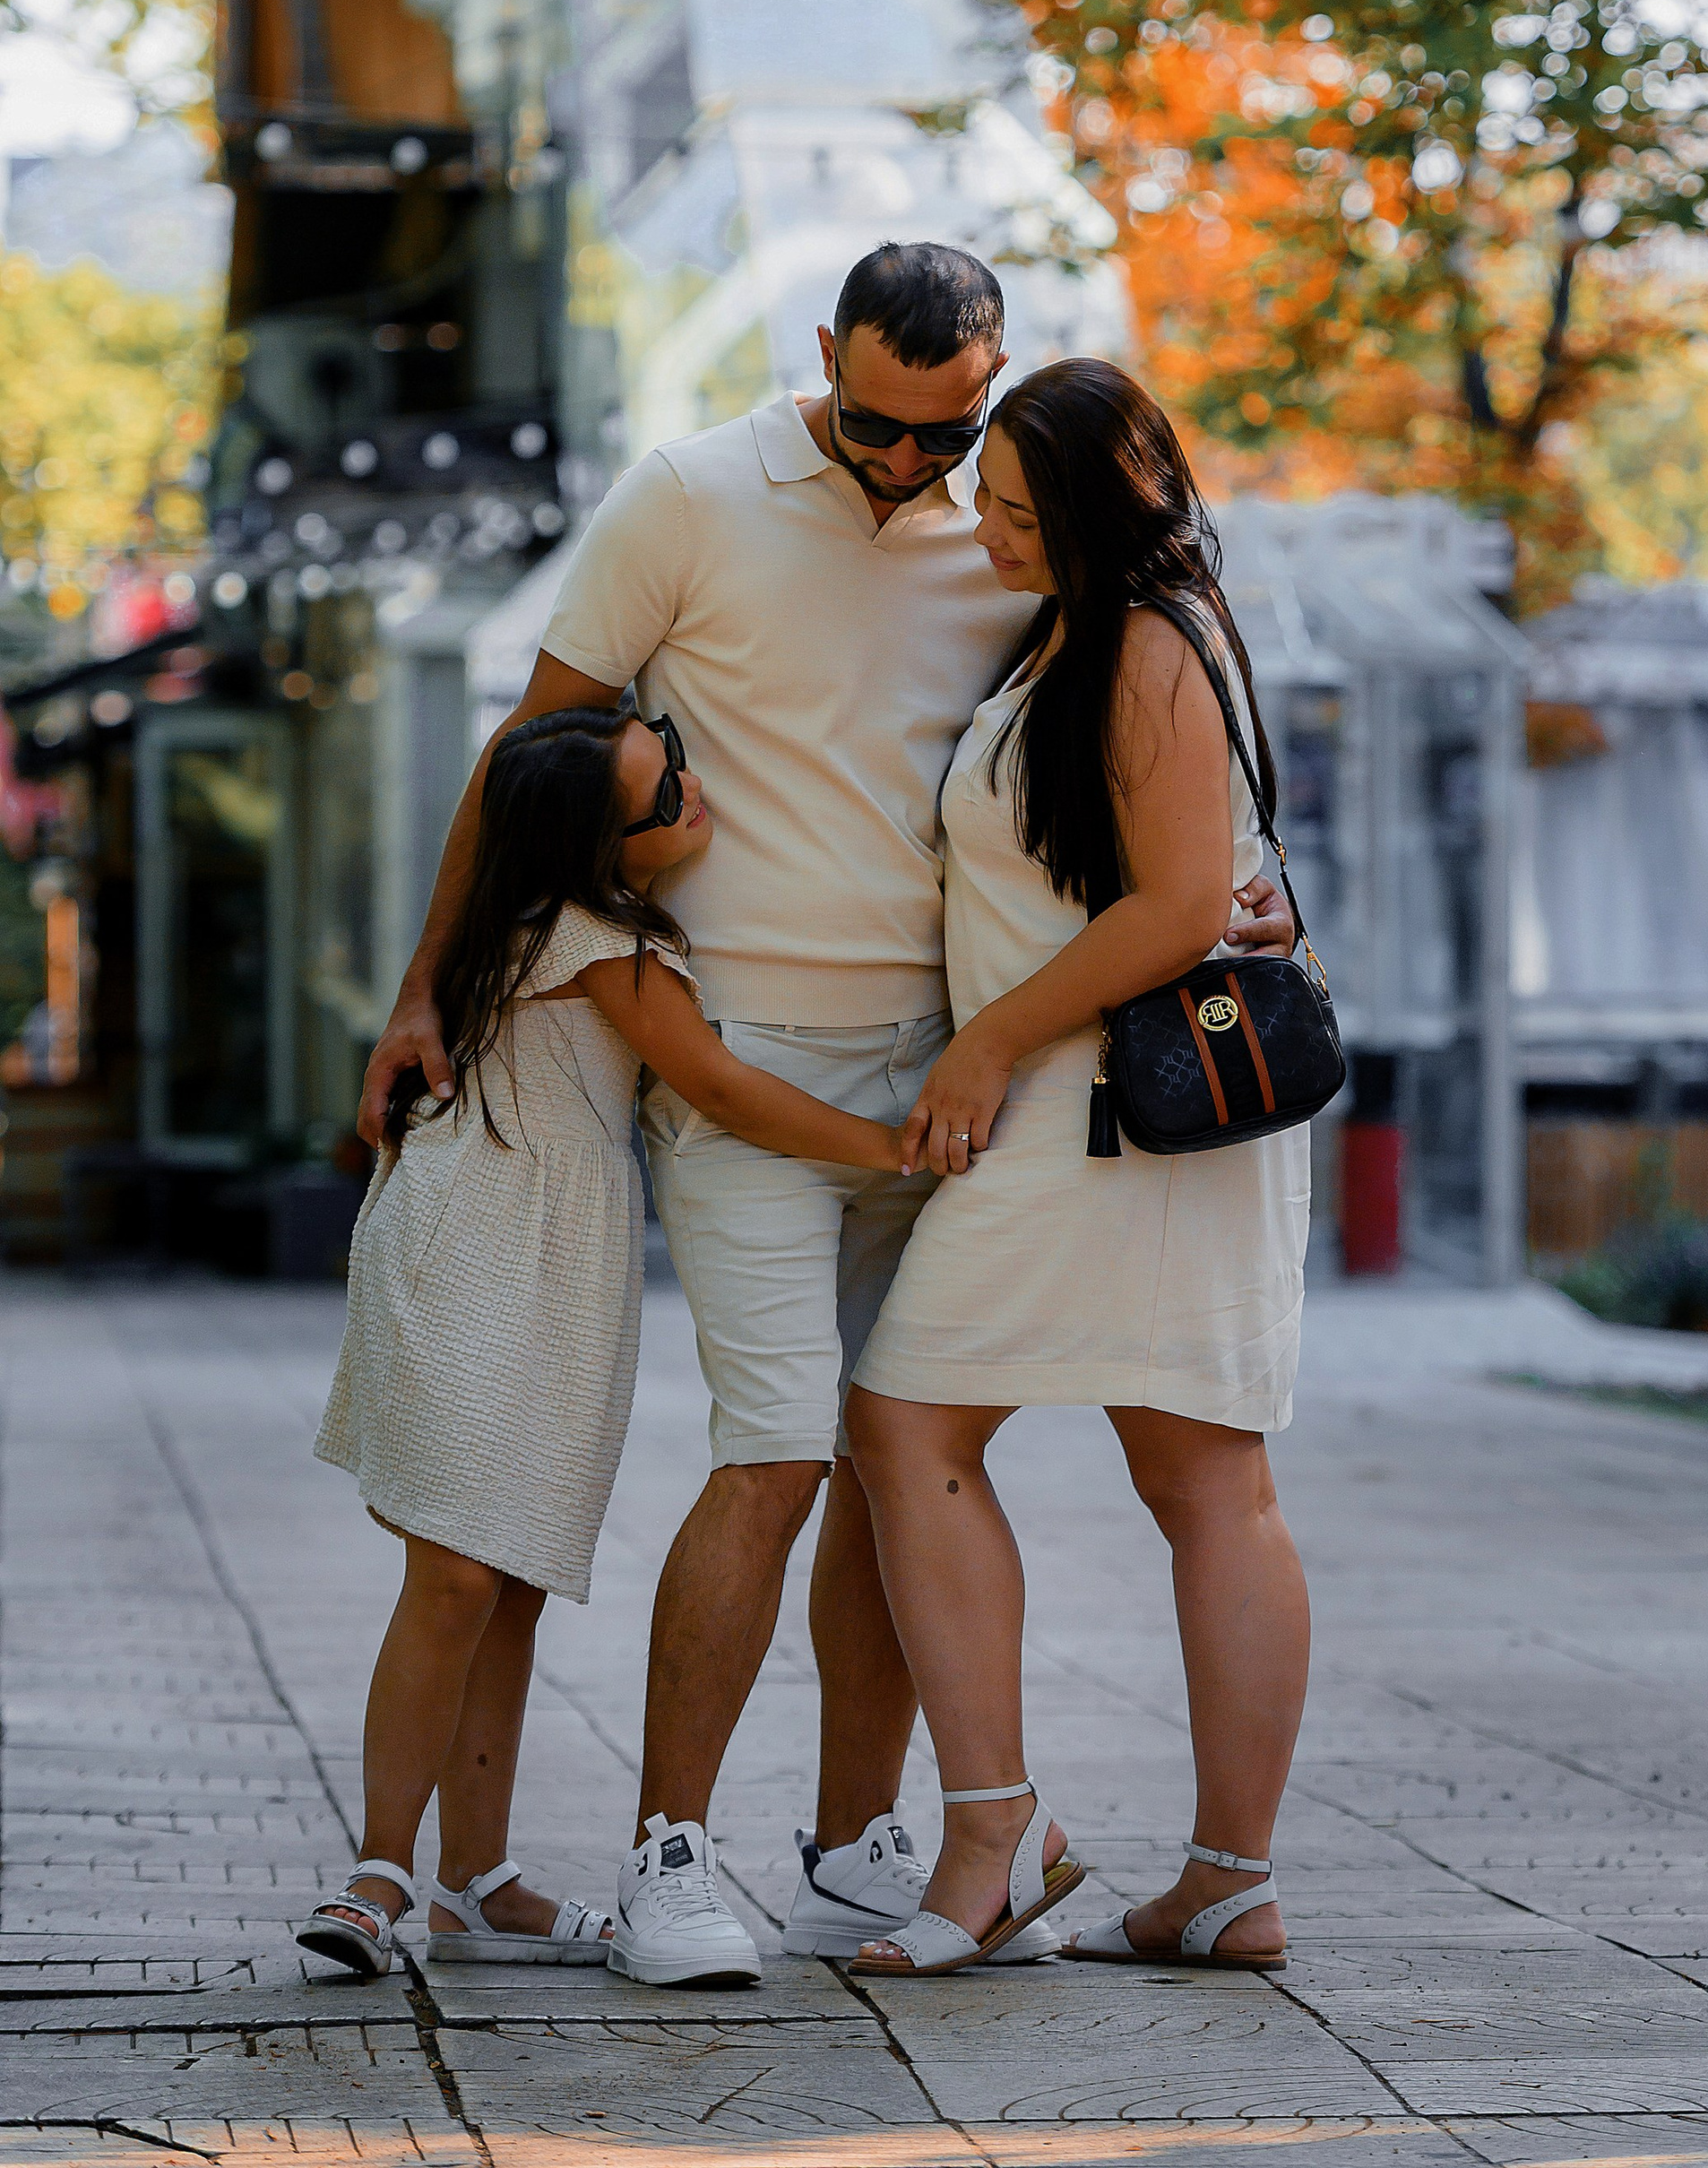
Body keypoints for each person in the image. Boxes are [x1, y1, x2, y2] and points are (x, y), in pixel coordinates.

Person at [353, 242, 1289, 1985]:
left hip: (955, 1074)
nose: (904, 472)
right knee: (779, 1443)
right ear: (822, 361)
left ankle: (871, 1840)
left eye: (944, 442)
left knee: (898, 1452)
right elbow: (530, 752)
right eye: (872, 424)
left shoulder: (1014, 531)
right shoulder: (691, 494)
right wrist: (428, 988)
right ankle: (670, 1850)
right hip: (744, 1062)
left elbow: (1132, 748)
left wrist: (1217, 898)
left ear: (991, 397)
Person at [300, 705, 910, 1979]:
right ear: (592, 850)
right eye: (661, 791)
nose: (693, 791)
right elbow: (724, 1087)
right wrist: (896, 1147)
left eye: (674, 757)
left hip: (560, 1265)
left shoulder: (570, 928)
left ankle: (479, 1879)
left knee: (510, 1570)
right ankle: (378, 1870)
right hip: (477, 1247)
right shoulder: (592, 945)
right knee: (459, 1572)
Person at [842, 358, 1313, 1978]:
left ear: (1105, 515)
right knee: (1196, 1483)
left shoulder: (1148, 644)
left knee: (924, 1421)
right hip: (1114, 1112)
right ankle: (1202, 1875)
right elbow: (1204, 879)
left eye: (1019, 511)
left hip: (1099, 1110)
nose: (984, 529)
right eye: (987, 498)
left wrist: (987, 1042)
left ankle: (1015, 1835)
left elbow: (1179, 906)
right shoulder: (1100, 630)